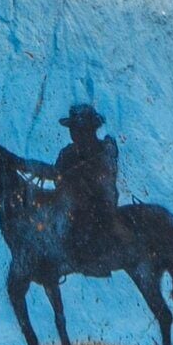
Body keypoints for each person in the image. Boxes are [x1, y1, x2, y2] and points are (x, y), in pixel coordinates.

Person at [54, 101, 120, 267]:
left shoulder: (104, 151)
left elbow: (106, 184)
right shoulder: (67, 154)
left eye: (81, 129)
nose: (76, 134)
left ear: (91, 129)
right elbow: (56, 178)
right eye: (73, 129)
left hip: (99, 207)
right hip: (70, 206)